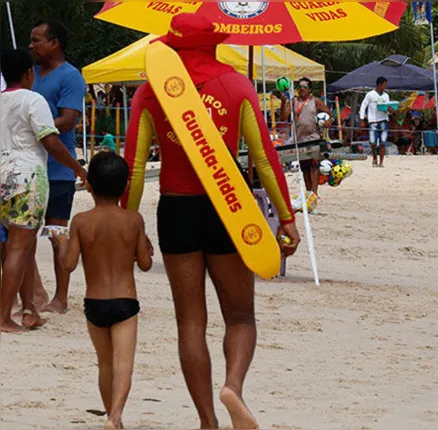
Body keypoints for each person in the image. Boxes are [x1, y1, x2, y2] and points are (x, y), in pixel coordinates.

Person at [120, 14, 300, 429]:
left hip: (176, 209)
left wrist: (130, 226)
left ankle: (207, 421)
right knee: (240, 317)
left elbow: (133, 169)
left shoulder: (151, 92)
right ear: (214, 44)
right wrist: (286, 217)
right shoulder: (237, 85)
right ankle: (233, 387)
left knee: (190, 323)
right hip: (229, 207)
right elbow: (264, 160)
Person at [51, 151, 152, 429]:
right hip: (125, 301)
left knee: (105, 364)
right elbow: (144, 264)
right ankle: (116, 416)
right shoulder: (134, 220)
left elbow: (69, 265)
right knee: (123, 364)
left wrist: (61, 243)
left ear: (90, 186)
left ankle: (111, 415)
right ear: (124, 187)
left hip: (94, 302)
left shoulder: (81, 221)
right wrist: (146, 248)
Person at [0, 49, 87, 333]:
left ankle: (29, 309)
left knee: (18, 248)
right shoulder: (33, 99)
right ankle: (3, 316)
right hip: (27, 178)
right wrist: (78, 168)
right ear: (28, 74)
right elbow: (50, 142)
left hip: (1, 176)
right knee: (19, 249)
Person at [28, 18, 87, 315]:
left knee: (55, 233)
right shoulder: (30, 74)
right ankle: (34, 292)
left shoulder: (70, 76)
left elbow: (69, 119)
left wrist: (31, 126)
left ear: (55, 43)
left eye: (37, 40)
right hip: (29, 167)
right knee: (21, 234)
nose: (31, 45)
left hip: (58, 169)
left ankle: (61, 298)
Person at [279, 77, 334, 198]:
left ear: (309, 89)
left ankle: (314, 192)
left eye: (304, 87)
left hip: (313, 138)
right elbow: (283, 117)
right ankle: (309, 192)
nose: (302, 89)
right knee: (304, 167)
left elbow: (330, 114)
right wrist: (283, 103)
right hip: (299, 139)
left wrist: (329, 122)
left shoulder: (315, 101)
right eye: (300, 87)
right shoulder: (293, 101)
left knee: (313, 165)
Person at [360, 77, 393, 167]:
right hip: (373, 121)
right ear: (380, 85)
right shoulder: (370, 94)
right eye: (385, 84)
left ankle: (381, 162)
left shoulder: (386, 96)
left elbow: (387, 109)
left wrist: (390, 110)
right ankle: (374, 157)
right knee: (373, 142)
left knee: (383, 142)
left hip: (384, 120)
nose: (386, 86)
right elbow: (363, 106)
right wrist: (362, 119)